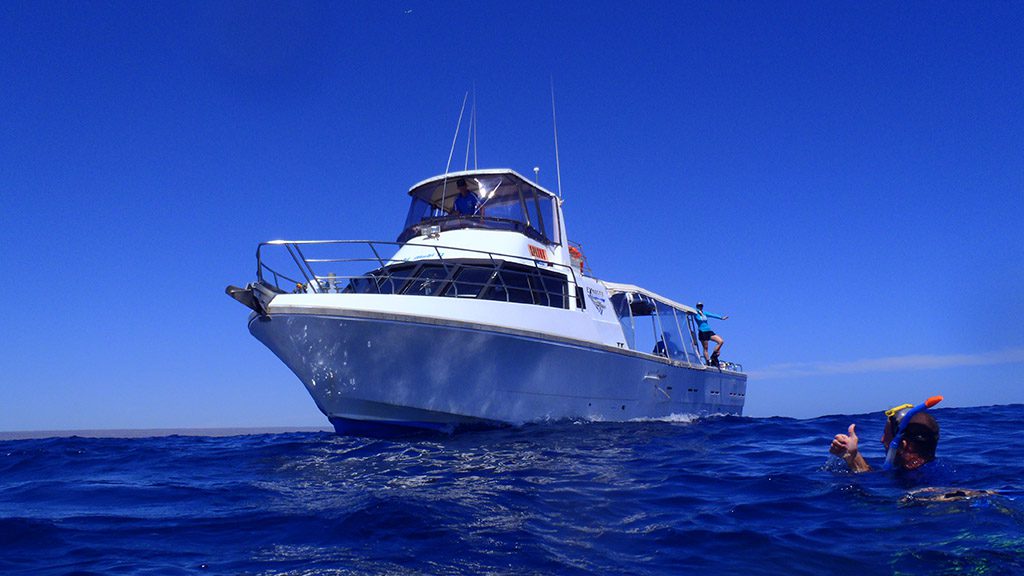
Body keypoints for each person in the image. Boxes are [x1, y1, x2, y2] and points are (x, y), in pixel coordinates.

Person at [830, 397, 942, 473]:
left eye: (886, 435)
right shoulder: (934, 469)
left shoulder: (916, 480)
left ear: (902, 445)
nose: (882, 440)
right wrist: (853, 457)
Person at [694, 302, 728, 366]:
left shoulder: (704, 313)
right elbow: (689, 312)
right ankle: (707, 361)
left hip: (709, 331)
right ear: (697, 306)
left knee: (720, 341)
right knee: (706, 348)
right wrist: (696, 311)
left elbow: (713, 315)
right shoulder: (695, 313)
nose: (700, 307)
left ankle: (713, 356)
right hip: (702, 332)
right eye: (699, 306)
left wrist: (721, 318)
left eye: (701, 306)